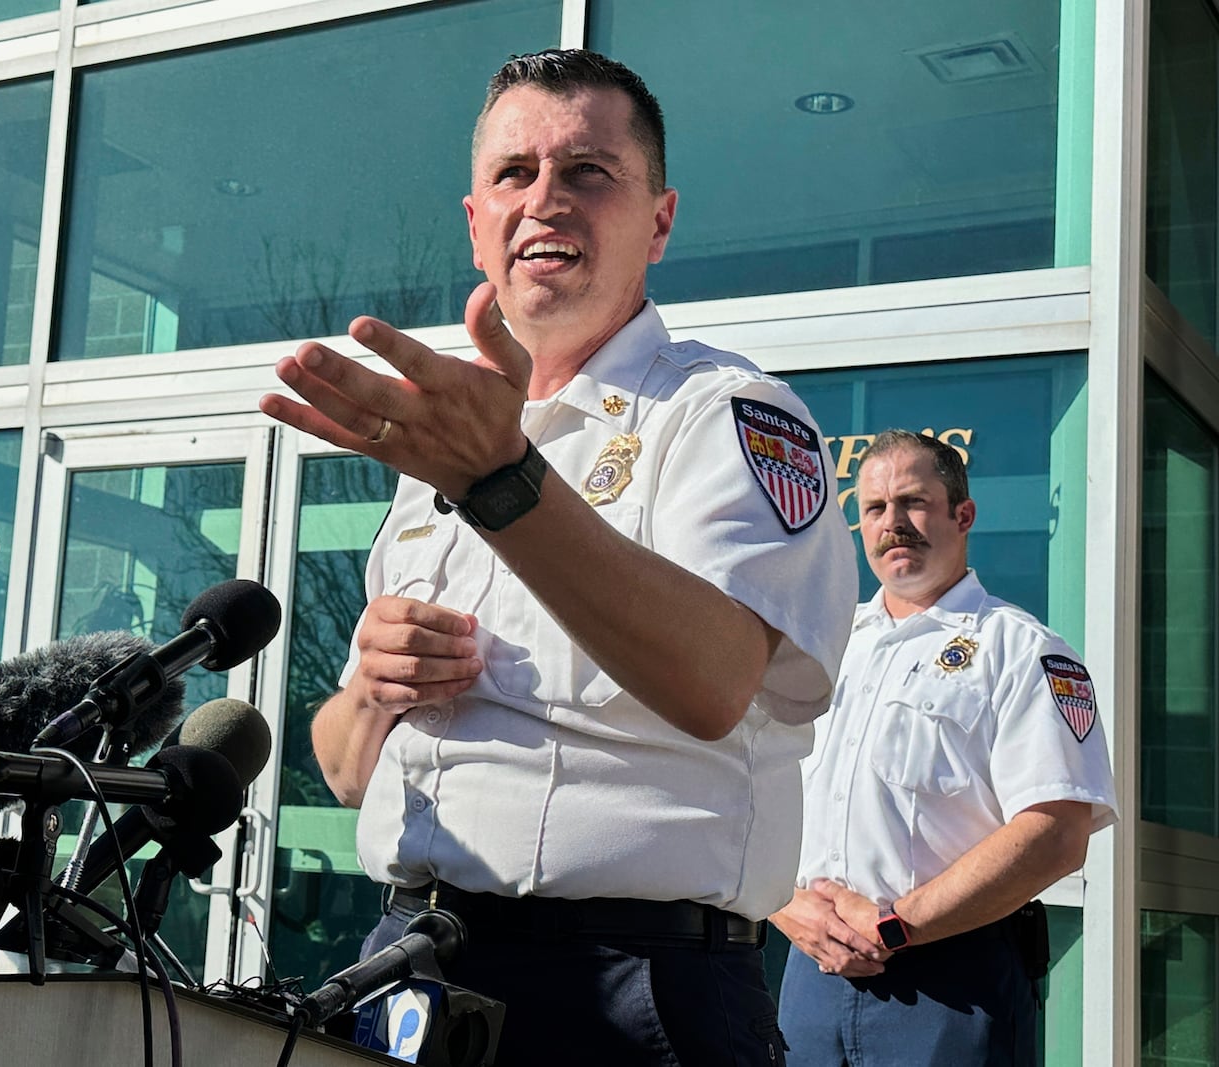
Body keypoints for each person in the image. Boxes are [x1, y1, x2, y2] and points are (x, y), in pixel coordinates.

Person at [260, 48, 856, 1066]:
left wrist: (503, 484)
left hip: (631, 994)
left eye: (588, 172)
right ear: (476, 221)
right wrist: (373, 685)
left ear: (658, 220)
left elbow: (715, 682)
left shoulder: (725, 415)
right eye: (514, 174)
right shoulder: (442, 446)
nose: (546, 200)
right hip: (406, 967)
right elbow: (347, 768)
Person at [771, 430, 1118, 1066]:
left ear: (963, 515)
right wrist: (784, 905)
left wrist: (899, 925)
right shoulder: (826, 643)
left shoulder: (1023, 650)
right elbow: (758, 783)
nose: (892, 524)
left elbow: (1057, 833)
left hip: (951, 981)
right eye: (874, 508)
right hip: (810, 971)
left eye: (913, 502)